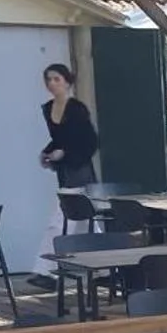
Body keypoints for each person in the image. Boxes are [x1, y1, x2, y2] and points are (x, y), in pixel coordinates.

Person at [35, 63, 98, 278]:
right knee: (84, 222)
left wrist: (66, 153)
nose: (52, 84)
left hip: (79, 170)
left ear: (67, 82)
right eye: (48, 80)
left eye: (56, 79)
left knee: (60, 221)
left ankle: (47, 272)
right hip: (64, 172)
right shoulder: (47, 108)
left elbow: (89, 142)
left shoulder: (77, 109)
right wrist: (47, 153)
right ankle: (103, 270)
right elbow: (59, 138)